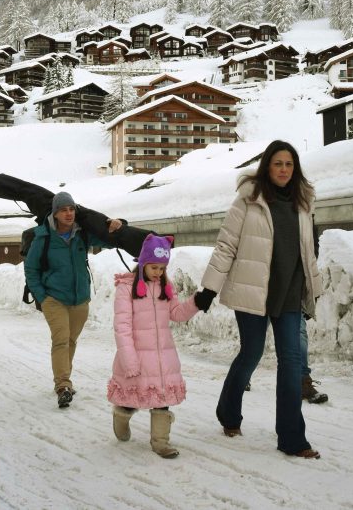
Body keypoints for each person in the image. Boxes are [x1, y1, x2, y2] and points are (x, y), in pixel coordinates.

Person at [200, 140, 324, 459]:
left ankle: (292, 438)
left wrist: (314, 287)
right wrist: (209, 288)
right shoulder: (248, 200)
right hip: (254, 290)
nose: (284, 169)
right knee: (252, 353)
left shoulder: (304, 202)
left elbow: (309, 251)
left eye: (289, 164)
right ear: (267, 166)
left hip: (290, 293)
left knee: (292, 363)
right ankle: (228, 413)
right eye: (278, 163)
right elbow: (226, 245)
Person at [107, 234, 215, 458]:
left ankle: (161, 442)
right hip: (136, 356)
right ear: (143, 263)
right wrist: (128, 359)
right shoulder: (126, 288)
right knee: (131, 400)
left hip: (162, 356)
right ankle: (121, 415)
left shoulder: (165, 287)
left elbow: (176, 313)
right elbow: (122, 327)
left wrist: (196, 302)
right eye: (153, 267)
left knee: (162, 401)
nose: (158, 272)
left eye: (162, 268)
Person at [24, 190, 122, 408]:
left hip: (80, 299)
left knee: (70, 340)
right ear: (55, 214)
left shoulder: (82, 233)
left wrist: (117, 224)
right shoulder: (43, 237)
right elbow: (31, 269)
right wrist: (42, 297)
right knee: (60, 339)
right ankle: (63, 385)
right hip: (54, 298)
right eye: (63, 210)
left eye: (71, 209)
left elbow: (108, 239)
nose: (68, 214)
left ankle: (63, 378)